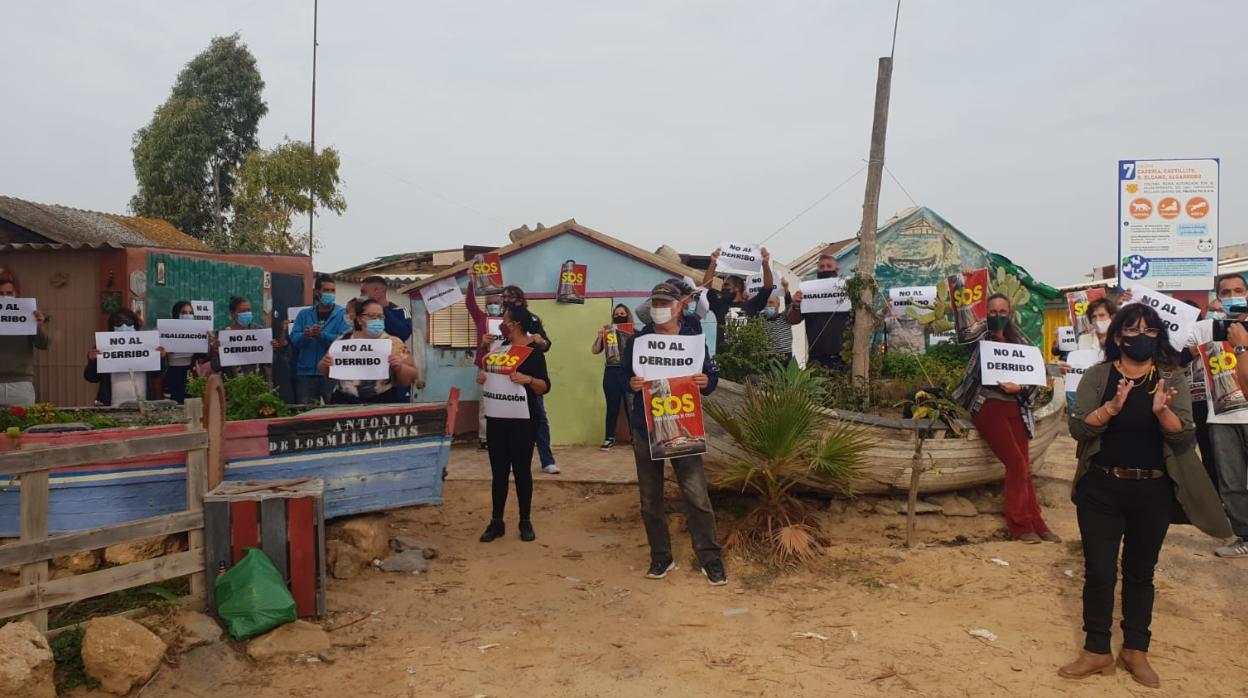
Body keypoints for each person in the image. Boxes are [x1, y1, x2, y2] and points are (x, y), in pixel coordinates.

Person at [1060, 303, 1231, 688]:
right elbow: (1078, 428)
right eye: (1135, 330)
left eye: (1152, 331)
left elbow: (1183, 433)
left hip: (1152, 490)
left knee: (1141, 572)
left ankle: (1136, 649)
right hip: (1100, 488)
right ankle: (1096, 649)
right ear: (1119, 336)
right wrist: (1111, 408)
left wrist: (1161, 413)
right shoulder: (1098, 375)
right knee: (1100, 571)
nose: (1143, 337)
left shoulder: (1171, 378)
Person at [622, 282, 726, 585]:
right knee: (650, 500)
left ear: (679, 305)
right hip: (646, 427)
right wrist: (630, 384)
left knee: (697, 497)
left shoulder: (693, 340)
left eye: (665, 301)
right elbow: (622, 378)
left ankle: (710, 558)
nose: (659, 306)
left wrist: (706, 381)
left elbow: (710, 377)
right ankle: (660, 558)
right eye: (654, 301)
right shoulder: (639, 342)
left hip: (684, 425)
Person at [952, 293, 1056, 543]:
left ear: (1010, 314)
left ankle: (1037, 522)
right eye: (993, 310)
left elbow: (1036, 374)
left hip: (1016, 407)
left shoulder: (1020, 341)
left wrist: (1019, 388)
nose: (998, 315)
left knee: (1024, 465)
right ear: (985, 312)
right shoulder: (979, 337)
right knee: (1016, 464)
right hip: (988, 406)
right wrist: (961, 285)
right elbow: (963, 326)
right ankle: (1019, 525)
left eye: (1003, 311)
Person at [1184, 272, 1248, 558]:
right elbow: (1177, 357)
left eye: (1239, 290)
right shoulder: (1205, 329)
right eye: (1227, 291)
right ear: (1218, 297)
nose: (1233, 295)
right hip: (1221, 417)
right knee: (1232, 484)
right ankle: (1244, 536)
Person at [475, 304, 550, 543]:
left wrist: (527, 379)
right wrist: (483, 377)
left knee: (521, 471)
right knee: (498, 472)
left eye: (504, 320)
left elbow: (544, 386)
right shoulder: (500, 349)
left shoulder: (533, 352)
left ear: (515, 324)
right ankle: (496, 521)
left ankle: (525, 520)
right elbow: (488, 373)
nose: (501, 324)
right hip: (497, 418)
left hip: (523, 420)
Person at [501, 286, 559, 474]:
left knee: (539, 418)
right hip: (507, 376)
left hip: (530, 373)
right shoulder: (499, 318)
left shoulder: (531, 319)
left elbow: (546, 343)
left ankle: (547, 460)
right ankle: (510, 460)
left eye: (512, 296)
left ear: (520, 299)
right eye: (505, 296)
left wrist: (540, 341)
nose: (508, 299)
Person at [318, 298, 418, 403]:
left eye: (380, 316)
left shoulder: (392, 342)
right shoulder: (343, 340)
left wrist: (399, 367)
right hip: (345, 401)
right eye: (371, 316)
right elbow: (326, 371)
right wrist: (325, 364)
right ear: (359, 319)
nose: (377, 320)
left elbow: (412, 376)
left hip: (382, 401)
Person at [85, 309, 165, 406]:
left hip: (143, 404)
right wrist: (92, 361)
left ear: (135, 325)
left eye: (128, 322)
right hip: (112, 406)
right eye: (118, 322)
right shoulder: (102, 347)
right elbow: (91, 377)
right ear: (112, 326)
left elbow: (158, 374)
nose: (123, 326)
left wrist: (161, 358)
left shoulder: (147, 345)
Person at [786, 251, 851, 370]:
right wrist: (795, 305)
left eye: (829, 266)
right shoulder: (807, 291)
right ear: (817, 271)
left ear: (837, 270)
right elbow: (792, 320)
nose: (825, 269)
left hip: (843, 356)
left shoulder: (847, 291)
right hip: (816, 357)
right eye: (822, 267)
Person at [291, 275, 350, 405]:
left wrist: (321, 335)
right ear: (316, 292)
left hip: (332, 371)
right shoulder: (304, 314)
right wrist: (305, 335)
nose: (330, 294)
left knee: (335, 410)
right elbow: (294, 339)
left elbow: (345, 339)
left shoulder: (343, 314)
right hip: (306, 373)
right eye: (326, 290)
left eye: (332, 291)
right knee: (306, 412)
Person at [701, 247, 773, 347]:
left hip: (746, 360)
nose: (723, 289)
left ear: (738, 287)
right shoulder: (720, 306)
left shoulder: (751, 305)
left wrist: (765, 264)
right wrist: (713, 263)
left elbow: (768, 287)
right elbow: (706, 289)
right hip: (723, 360)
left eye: (727, 285)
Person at [361, 275, 414, 401]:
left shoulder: (400, 311)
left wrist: (383, 311)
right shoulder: (363, 315)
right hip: (370, 374)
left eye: (364, 292)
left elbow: (404, 333)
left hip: (395, 372)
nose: (361, 296)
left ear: (377, 291)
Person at [466, 279, 505, 450]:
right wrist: (470, 283)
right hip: (485, 367)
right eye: (489, 303)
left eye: (496, 303)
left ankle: (504, 435)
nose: (492, 305)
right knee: (485, 403)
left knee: (505, 401)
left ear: (502, 304)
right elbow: (469, 303)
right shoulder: (481, 318)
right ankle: (484, 438)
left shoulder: (508, 321)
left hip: (505, 366)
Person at [0, 275, 50, 406]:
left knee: (24, 424)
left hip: (21, 383)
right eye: (1, 294)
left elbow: (43, 344)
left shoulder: (27, 315)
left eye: (9, 293)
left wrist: (38, 325)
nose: (5, 297)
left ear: (17, 295)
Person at [592, 304, 633, 450]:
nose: (619, 316)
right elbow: (595, 351)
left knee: (631, 406)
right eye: (616, 314)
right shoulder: (607, 333)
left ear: (627, 315)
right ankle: (609, 437)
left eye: (622, 313)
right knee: (612, 406)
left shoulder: (635, 332)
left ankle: (636, 437)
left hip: (629, 373)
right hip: (611, 372)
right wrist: (599, 336)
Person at [211, 296, 279, 380]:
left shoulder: (259, 332)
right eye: (243, 311)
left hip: (257, 384)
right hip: (232, 386)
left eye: (249, 310)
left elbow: (269, 363)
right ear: (233, 314)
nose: (247, 313)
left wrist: (271, 349)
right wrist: (216, 352)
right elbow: (215, 367)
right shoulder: (223, 335)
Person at [164, 300, 207, 404]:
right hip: (174, 373)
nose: (188, 315)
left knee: (192, 406)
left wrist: (209, 340)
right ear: (176, 314)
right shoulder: (166, 330)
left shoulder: (199, 330)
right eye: (183, 313)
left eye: (190, 313)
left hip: (191, 372)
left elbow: (203, 355)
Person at [752, 279, 793, 369]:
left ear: (778, 304)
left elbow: (790, 305)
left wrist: (785, 288)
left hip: (786, 357)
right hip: (768, 359)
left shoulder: (785, 317)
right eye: (765, 303)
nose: (768, 305)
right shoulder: (760, 320)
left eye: (771, 302)